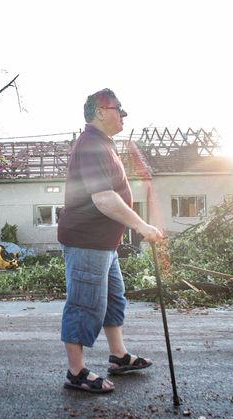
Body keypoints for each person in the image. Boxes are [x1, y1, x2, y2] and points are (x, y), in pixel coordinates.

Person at [57, 88, 163, 393]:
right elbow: (104, 199)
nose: (123, 115)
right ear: (101, 111)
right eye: (119, 109)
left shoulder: (103, 144)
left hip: (104, 243)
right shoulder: (90, 144)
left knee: (114, 298)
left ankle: (119, 357)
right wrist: (142, 226)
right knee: (84, 303)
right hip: (87, 242)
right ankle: (75, 372)